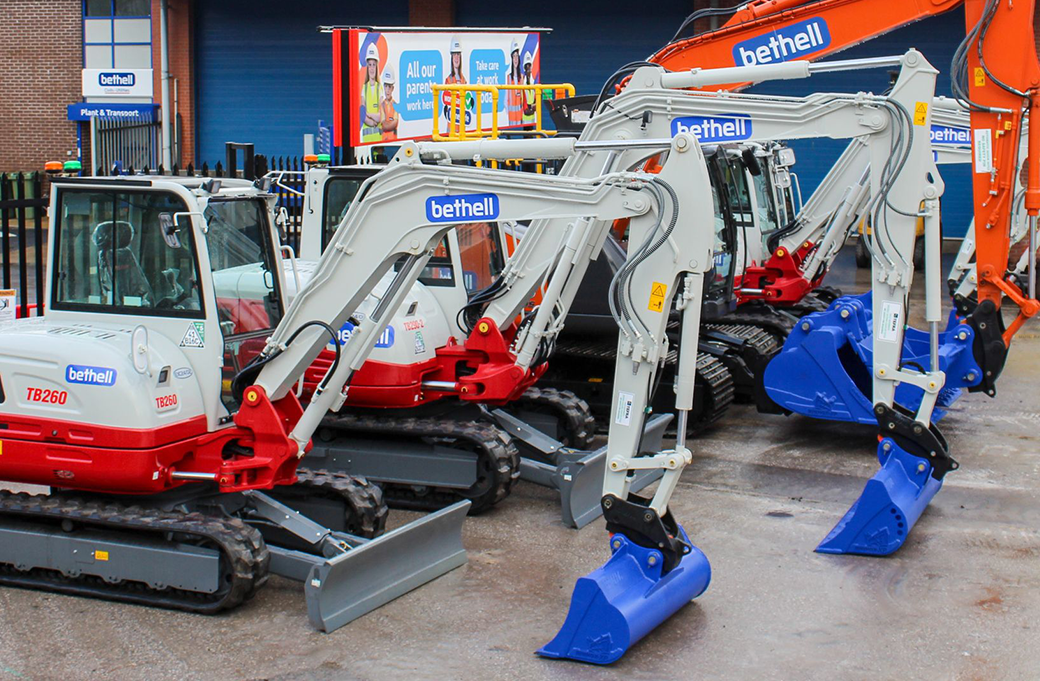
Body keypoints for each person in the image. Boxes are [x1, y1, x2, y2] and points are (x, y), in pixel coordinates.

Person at [359, 43, 382, 144]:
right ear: (367, 66)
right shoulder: (364, 88)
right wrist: (371, 120)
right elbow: (362, 114)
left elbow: (381, 116)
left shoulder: (380, 88)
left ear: (377, 66)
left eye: (374, 65)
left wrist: (368, 114)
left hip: (378, 142)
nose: (372, 68)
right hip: (366, 143)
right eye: (370, 65)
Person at [506, 39, 523, 127]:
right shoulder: (508, 78)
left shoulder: (522, 77)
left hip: (521, 117)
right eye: (514, 56)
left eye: (517, 56)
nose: (515, 59)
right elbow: (506, 97)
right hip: (511, 119)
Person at [380, 64, 399, 141]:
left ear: (392, 88)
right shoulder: (382, 105)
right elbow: (383, 125)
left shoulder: (395, 105)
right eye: (386, 86)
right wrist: (390, 124)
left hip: (394, 142)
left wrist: (388, 124)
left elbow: (395, 123)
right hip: (383, 142)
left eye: (389, 87)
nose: (387, 90)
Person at [521, 51, 537, 128]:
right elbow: (525, 109)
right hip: (526, 119)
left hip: (533, 119)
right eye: (527, 67)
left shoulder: (533, 82)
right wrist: (531, 108)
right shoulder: (522, 84)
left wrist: (534, 106)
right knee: (526, 137)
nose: (528, 69)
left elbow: (535, 99)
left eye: (529, 66)